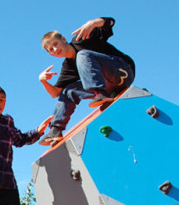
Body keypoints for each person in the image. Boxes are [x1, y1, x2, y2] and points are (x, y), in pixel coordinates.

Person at [38, 17, 135, 145]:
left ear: (63, 39)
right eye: (51, 49)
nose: (55, 49)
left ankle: (100, 93)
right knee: (68, 90)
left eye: (55, 44)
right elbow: (56, 93)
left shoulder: (82, 38)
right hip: (110, 87)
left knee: (82, 55)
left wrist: (94, 23)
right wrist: (43, 81)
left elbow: (110, 23)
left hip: (122, 71)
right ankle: (56, 129)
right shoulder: (67, 67)